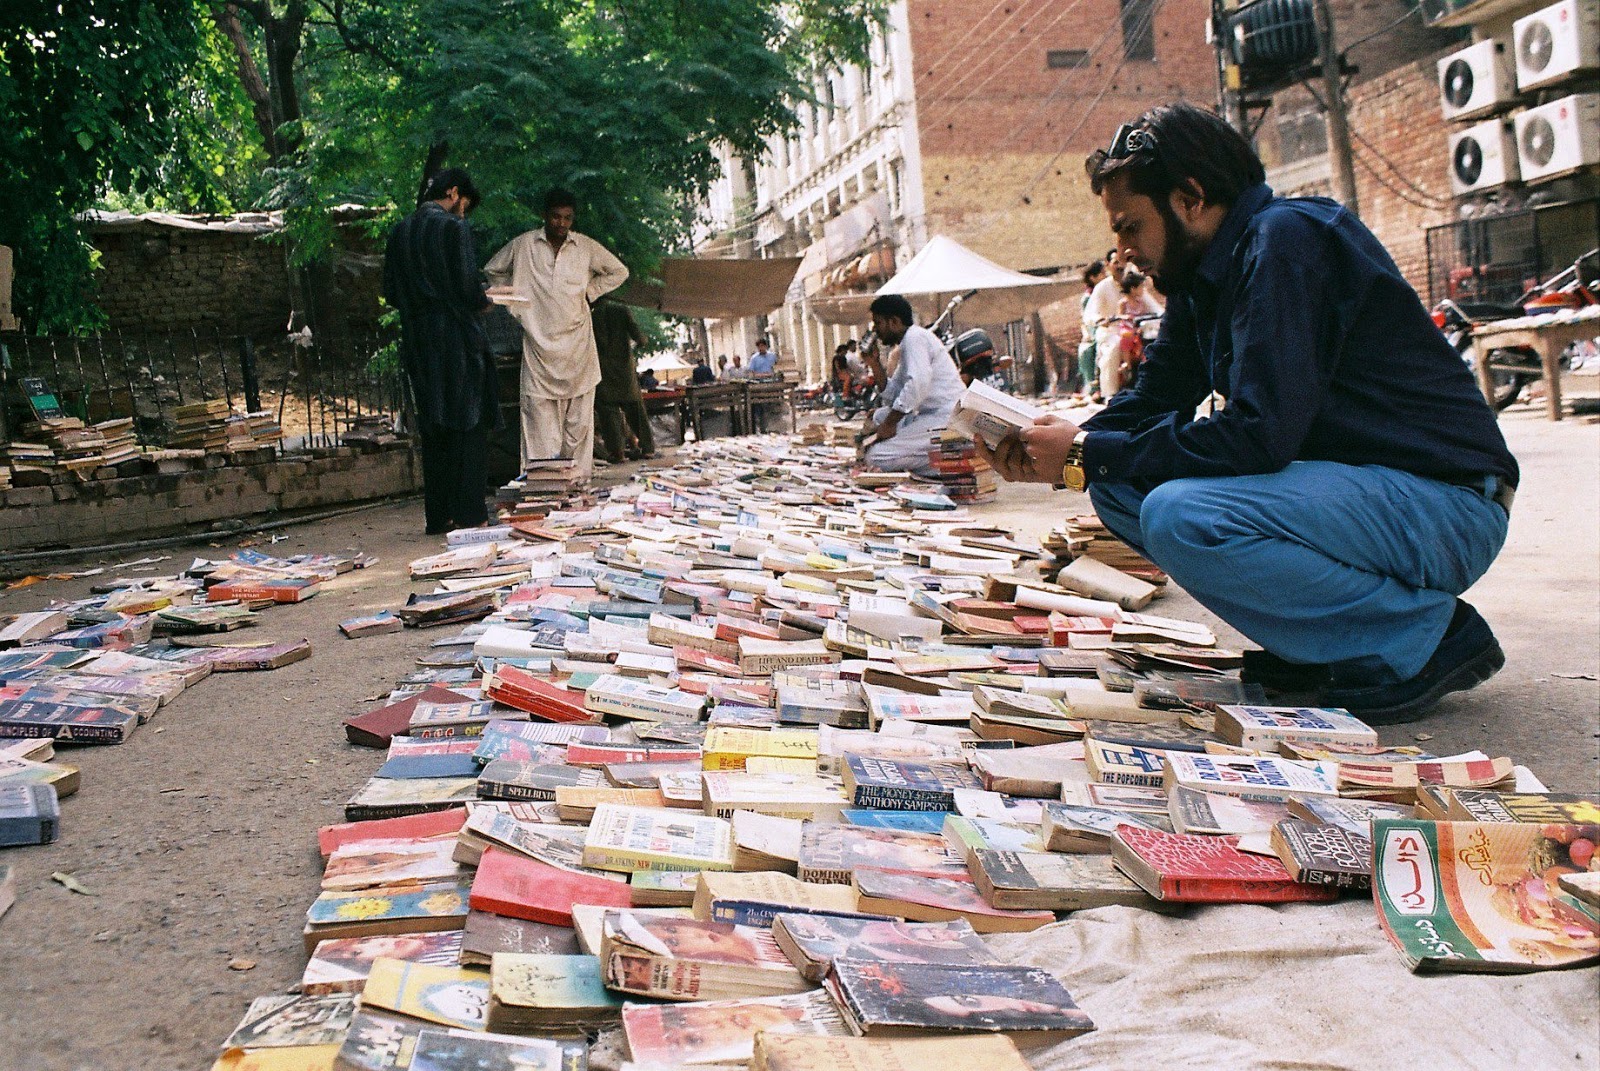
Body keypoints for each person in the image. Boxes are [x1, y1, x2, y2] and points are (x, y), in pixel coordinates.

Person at [979, 102, 1518, 724]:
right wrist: (1055, 450)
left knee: (1181, 514)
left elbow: (1260, 436)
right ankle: (1322, 647)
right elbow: (1152, 398)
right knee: (1119, 486)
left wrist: (1085, 451)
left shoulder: (1286, 241)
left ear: (1188, 198)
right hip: (1360, 496)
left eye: (1130, 226)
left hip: (1446, 503)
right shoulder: (1204, 273)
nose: (1122, 253)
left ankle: (1423, 638)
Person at [381, 168, 497, 535]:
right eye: (463, 204)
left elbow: (391, 291)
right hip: (456, 337)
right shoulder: (452, 228)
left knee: (434, 425)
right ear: (453, 192)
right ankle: (469, 513)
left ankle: (439, 514)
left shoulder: (400, 230)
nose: (463, 213)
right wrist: (485, 300)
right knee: (469, 420)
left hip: (418, 338)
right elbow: (466, 288)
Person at [484, 187, 628, 482]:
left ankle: (576, 490)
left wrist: (591, 292)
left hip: (578, 348)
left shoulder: (585, 247)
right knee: (540, 427)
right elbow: (494, 270)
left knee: (578, 426)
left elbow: (618, 271)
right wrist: (516, 302)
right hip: (538, 346)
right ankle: (542, 489)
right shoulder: (524, 245)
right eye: (556, 217)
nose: (561, 223)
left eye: (567, 218)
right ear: (544, 216)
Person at [858, 294, 965, 476]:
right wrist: (875, 364)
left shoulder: (915, 338)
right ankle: (937, 458)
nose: (876, 331)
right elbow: (894, 396)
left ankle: (949, 462)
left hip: (947, 416)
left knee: (875, 457)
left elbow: (917, 385)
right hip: (931, 415)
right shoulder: (907, 344)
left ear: (893, 322)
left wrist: (890, 425)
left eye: (878, 323)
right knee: (879, 416)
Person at [591, 295, 655, 463]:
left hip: (603, 371)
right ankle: (647, 448)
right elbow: (640, 339)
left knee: (608, 412)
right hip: (624, 370)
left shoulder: (590, 317)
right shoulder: (621, 310)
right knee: (636, 410)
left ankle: (617, 452)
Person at [1100, 268, 1165, 396]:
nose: (1142, 290)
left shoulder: (1141, 301)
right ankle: (1127, 362)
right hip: (1128, 327)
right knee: (1126, 336)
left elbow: (1152, 310)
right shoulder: (1123, 303)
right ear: (1133, 288)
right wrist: (1126, 317)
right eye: (1140, 287)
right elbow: (1120, 316)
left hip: (1139, 327)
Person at [1082, 247, 1126, 402]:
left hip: (1130, 328)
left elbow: (1150, 303)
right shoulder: (1103, 287)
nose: (1120, 266)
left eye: (1123, 262)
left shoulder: (1132, 282)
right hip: (1110, 329)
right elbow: (1090, 314)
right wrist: (1100, 320)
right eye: (1116, 263)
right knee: (1113, 347)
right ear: (1108, 265)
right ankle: (1110, 393)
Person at [1075, 260, 1107, 399]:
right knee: (1088, 350)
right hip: (1094, 328)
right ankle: (1094, 387)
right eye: (1101, 274)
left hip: (1108, 326)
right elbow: (1087, 318)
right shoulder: (1088, 297)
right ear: (1093, 278)